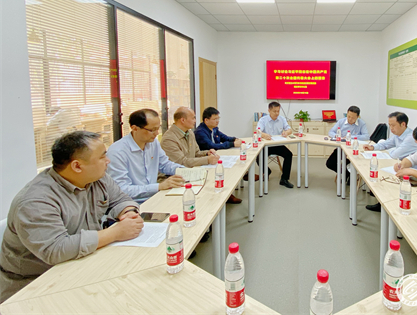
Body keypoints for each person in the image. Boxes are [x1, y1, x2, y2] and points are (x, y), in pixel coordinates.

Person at [0, 131, 143, 303]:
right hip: (33, 285)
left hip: (81, 265)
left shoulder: (97, 178)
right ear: (77, 166)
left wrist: (128, 212)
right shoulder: (35, 201)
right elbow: (55, 250)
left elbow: (120, 199)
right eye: (102, 157)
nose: (108, 161)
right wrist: (115, 233)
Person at [161, 107, 241, 204]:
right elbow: (182, 162)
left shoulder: (189, 133)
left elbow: (196, 153)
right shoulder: (169, 139)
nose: (195, 121)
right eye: (193, 118)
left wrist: (207, 153)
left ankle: (223, 197)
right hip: (176, 177)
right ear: (183, 120)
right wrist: (207, 159)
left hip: (190, 170)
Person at [107, 109, 185, 203]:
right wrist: (159, 186)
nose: (156, 133)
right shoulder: (117, 152)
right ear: (134, 128)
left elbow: (165, 165)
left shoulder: (153, 143)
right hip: (131, 204)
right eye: (152, 130)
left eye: (158, 128)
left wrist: (186, 171)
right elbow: (122, 190)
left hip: (154, 198)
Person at [364, 112, 417, 212]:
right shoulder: (397, 135)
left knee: (385, 175)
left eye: (393, 125)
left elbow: (395, 154)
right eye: (390, 125)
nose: (391, 128)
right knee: (382, 172)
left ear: (403, 124)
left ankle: (386, 205)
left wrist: (389, 151)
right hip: (403, 166)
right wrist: (373, 147)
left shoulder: (410, 137)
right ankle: (382, 204)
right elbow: (386, 144)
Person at [255, 101, 294, 189]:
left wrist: (286, 132)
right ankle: (267, 171)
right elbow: (258, 131)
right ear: (269, 110)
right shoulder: (263, 120)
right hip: (266, 146)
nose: (276, 113)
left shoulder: (282, 119)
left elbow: (289, 130)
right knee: (259, 158)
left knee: (289, 155)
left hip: (278, 145)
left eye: (278, 111)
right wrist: (264, 135)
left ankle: (284, 179)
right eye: (274, 111)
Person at [325, 106, 369, 175]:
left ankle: (348, 176)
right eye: (348, 116)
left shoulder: (361, 123)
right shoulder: (341, 121)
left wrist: (351, 137)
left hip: (354, 150)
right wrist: (337, 136)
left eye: (353, 117)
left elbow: (366, 136)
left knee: (351, 166)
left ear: (358, 117)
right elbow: (331, 132)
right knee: (330, 163)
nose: (350, 119)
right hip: (341, 148)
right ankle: (345, 175)